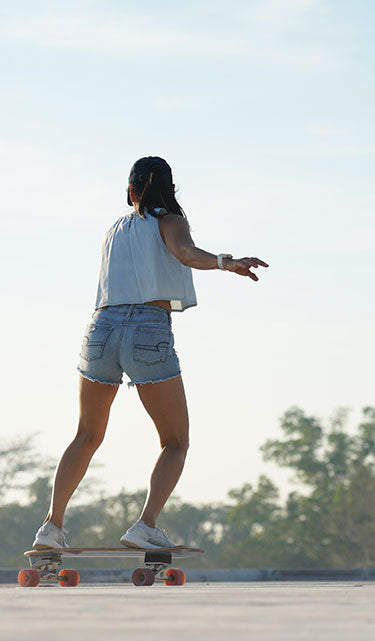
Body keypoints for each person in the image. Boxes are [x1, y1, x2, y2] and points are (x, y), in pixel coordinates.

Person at [32, 156, 268, 551]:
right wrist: (229, 263)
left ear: (130, 192)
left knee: (87, 435)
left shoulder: (113, 230)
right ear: (171, 190)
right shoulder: (170, 220)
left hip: (100, 330)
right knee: (175, 441)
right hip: (147, 328)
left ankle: (50, 527)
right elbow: (185, 253)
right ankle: (146, 525)